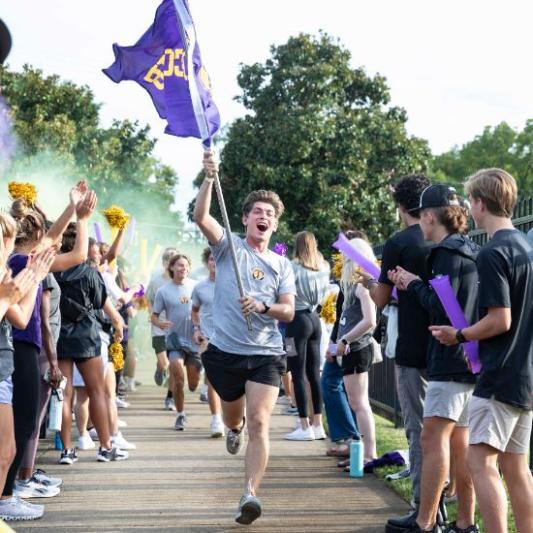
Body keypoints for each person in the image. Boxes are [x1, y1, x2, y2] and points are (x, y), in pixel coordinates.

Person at [194, 151, 295, 525]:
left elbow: (287, 310)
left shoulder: (282, 264)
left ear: (275, 224)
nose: (263, 217)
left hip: (267, 353)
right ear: (245, 219)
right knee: (235, 419)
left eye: (270, 214)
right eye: (257, 212)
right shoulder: (228, 247)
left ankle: (249, 494)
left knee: (259, 423)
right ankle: (231, 429)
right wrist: (208, 178)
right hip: (225, 353)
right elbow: (201, 217)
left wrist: (263, 306)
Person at [430, 169, 533, 533]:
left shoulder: (493, 252)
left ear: (479, 203)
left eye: (470, 201)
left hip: (500, 373)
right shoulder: (526, 247)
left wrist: (459, 334)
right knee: (517, 468)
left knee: (480, 462)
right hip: (525, 375)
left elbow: (499, 320)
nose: (469, 208)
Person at [388, 184, 479, 533]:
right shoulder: (470, 248)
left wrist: (412, 283)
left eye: (421, 218)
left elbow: (443, 307)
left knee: (432, 439)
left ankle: (425, 522)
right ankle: (466, 522)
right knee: (461, 443)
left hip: (448, 358)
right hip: (471, 358)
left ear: (429, 216)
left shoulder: (443, 254)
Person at [362, 175, 433, 532]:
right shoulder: (445, 237)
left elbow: (381, 298)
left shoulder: (398, 242)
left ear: (400, 205)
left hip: (412, 345)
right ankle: (446, 494)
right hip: (449, 345)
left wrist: (370, 282)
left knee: (418, 429)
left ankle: (423, 507)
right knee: (448, 431)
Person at [55, 223, 128, 464]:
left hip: (59, 335)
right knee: (96, 390)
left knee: (64, 395)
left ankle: (66, 450)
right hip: (86, 334)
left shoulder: (52, 269)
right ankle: (106, 447)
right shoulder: (89, 272)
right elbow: (99, 302)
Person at [335, 237, 378, 464]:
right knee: (357, 402)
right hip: (353, 348)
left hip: (358, 348)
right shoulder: (353, 284)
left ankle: (369, 454)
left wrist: (345, 339)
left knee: (360, 403)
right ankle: (362, 452)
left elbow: (370, 320)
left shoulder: (362, 285)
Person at [284, 231, 330, 441]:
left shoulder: (293, 266)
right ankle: (318, 423)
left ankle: (304, 425)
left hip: (297, 320)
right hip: (315, 319)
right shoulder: (324, 266)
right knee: (314, 373)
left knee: (297, 373)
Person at [151, 254, 201, 431]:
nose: (183, 268)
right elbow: (154, 316)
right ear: (171, 268)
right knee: (179, 378)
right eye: (180, 265)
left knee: (193, 384)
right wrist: (160, 323)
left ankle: (194, 381)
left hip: (194, 341)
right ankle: (180, 414)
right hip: (174, 340)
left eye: (186, 265)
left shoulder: (196, 286)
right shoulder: (163, 291)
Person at [191, 247, 224, 438]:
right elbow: (194, 310)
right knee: (212, 380)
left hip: (231, 339)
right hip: (209, 339)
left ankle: (235, 417)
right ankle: (216, 419)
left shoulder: (234, 284)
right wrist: (196, 329)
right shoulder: (200, 287)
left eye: (218, 260)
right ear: (207, 262)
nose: (215, 263)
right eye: (212, 259)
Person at [146, 247, 178, 409]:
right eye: (169, 262)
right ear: (165, 264)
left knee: (174, 365)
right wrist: (152, 314)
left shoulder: (183, 282)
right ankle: (160, 369)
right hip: (158, 327)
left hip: (176, 329)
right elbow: (148, 300)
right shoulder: (156, 281)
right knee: (165, 363)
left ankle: (170, 397)